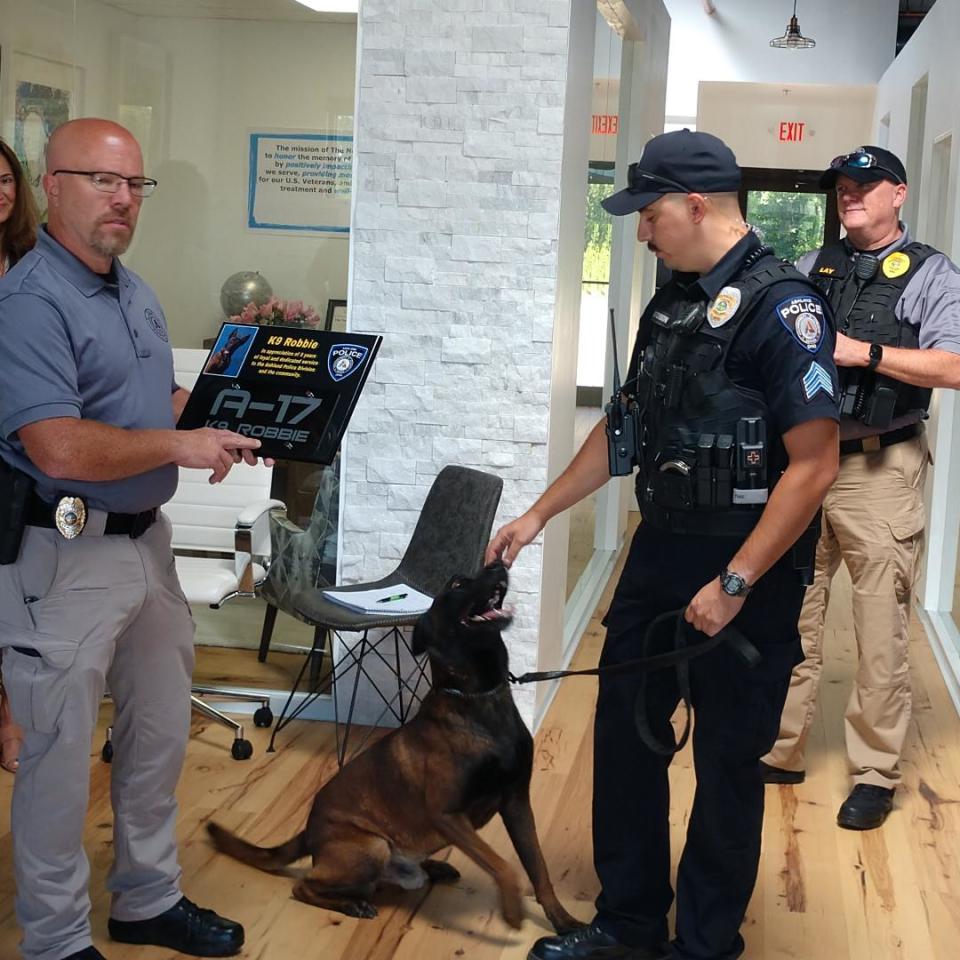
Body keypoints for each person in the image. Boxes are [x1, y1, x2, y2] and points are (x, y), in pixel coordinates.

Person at [486, 129, 839, 960]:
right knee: (626, 739)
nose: (639, 232)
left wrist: (737, 581)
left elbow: (814, 466)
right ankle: (629, 922)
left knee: (724, 761)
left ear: (694, 204)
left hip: (747, 565)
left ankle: (707, 942)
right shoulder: (671, 300)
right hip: (661, 552)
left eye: (646, 215)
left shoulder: (783, 309)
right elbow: (625, 428)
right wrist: (539, 516)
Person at [0, 118, 264, 960]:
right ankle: (55, 939)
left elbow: (154, 398)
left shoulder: (133, 289)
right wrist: (178, 447)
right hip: (65, 552)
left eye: (135, 186)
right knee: (56, 755)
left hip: (147, 545)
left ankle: (146, 900)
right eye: (102, 181)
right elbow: (58, 444)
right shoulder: (28, 301)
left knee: (156, 733)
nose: (122, 200)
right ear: (53, 184)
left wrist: (227, 415)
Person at [761, 146, 960, 830]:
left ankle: (875, 770)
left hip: (881, 471)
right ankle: (781, 747)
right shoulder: (811, 267)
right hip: (805, 466)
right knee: (793, 614)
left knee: (879, 630)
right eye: (843, 187)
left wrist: (862, 351)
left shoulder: (932, 272)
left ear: (898, 194)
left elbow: (953, 365)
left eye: (866, 185)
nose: (851, 194)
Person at [0, 136, 40, 775]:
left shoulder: (33, 263)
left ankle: (10, 722)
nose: (1, 190)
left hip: (21, 453)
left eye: (7, 179)